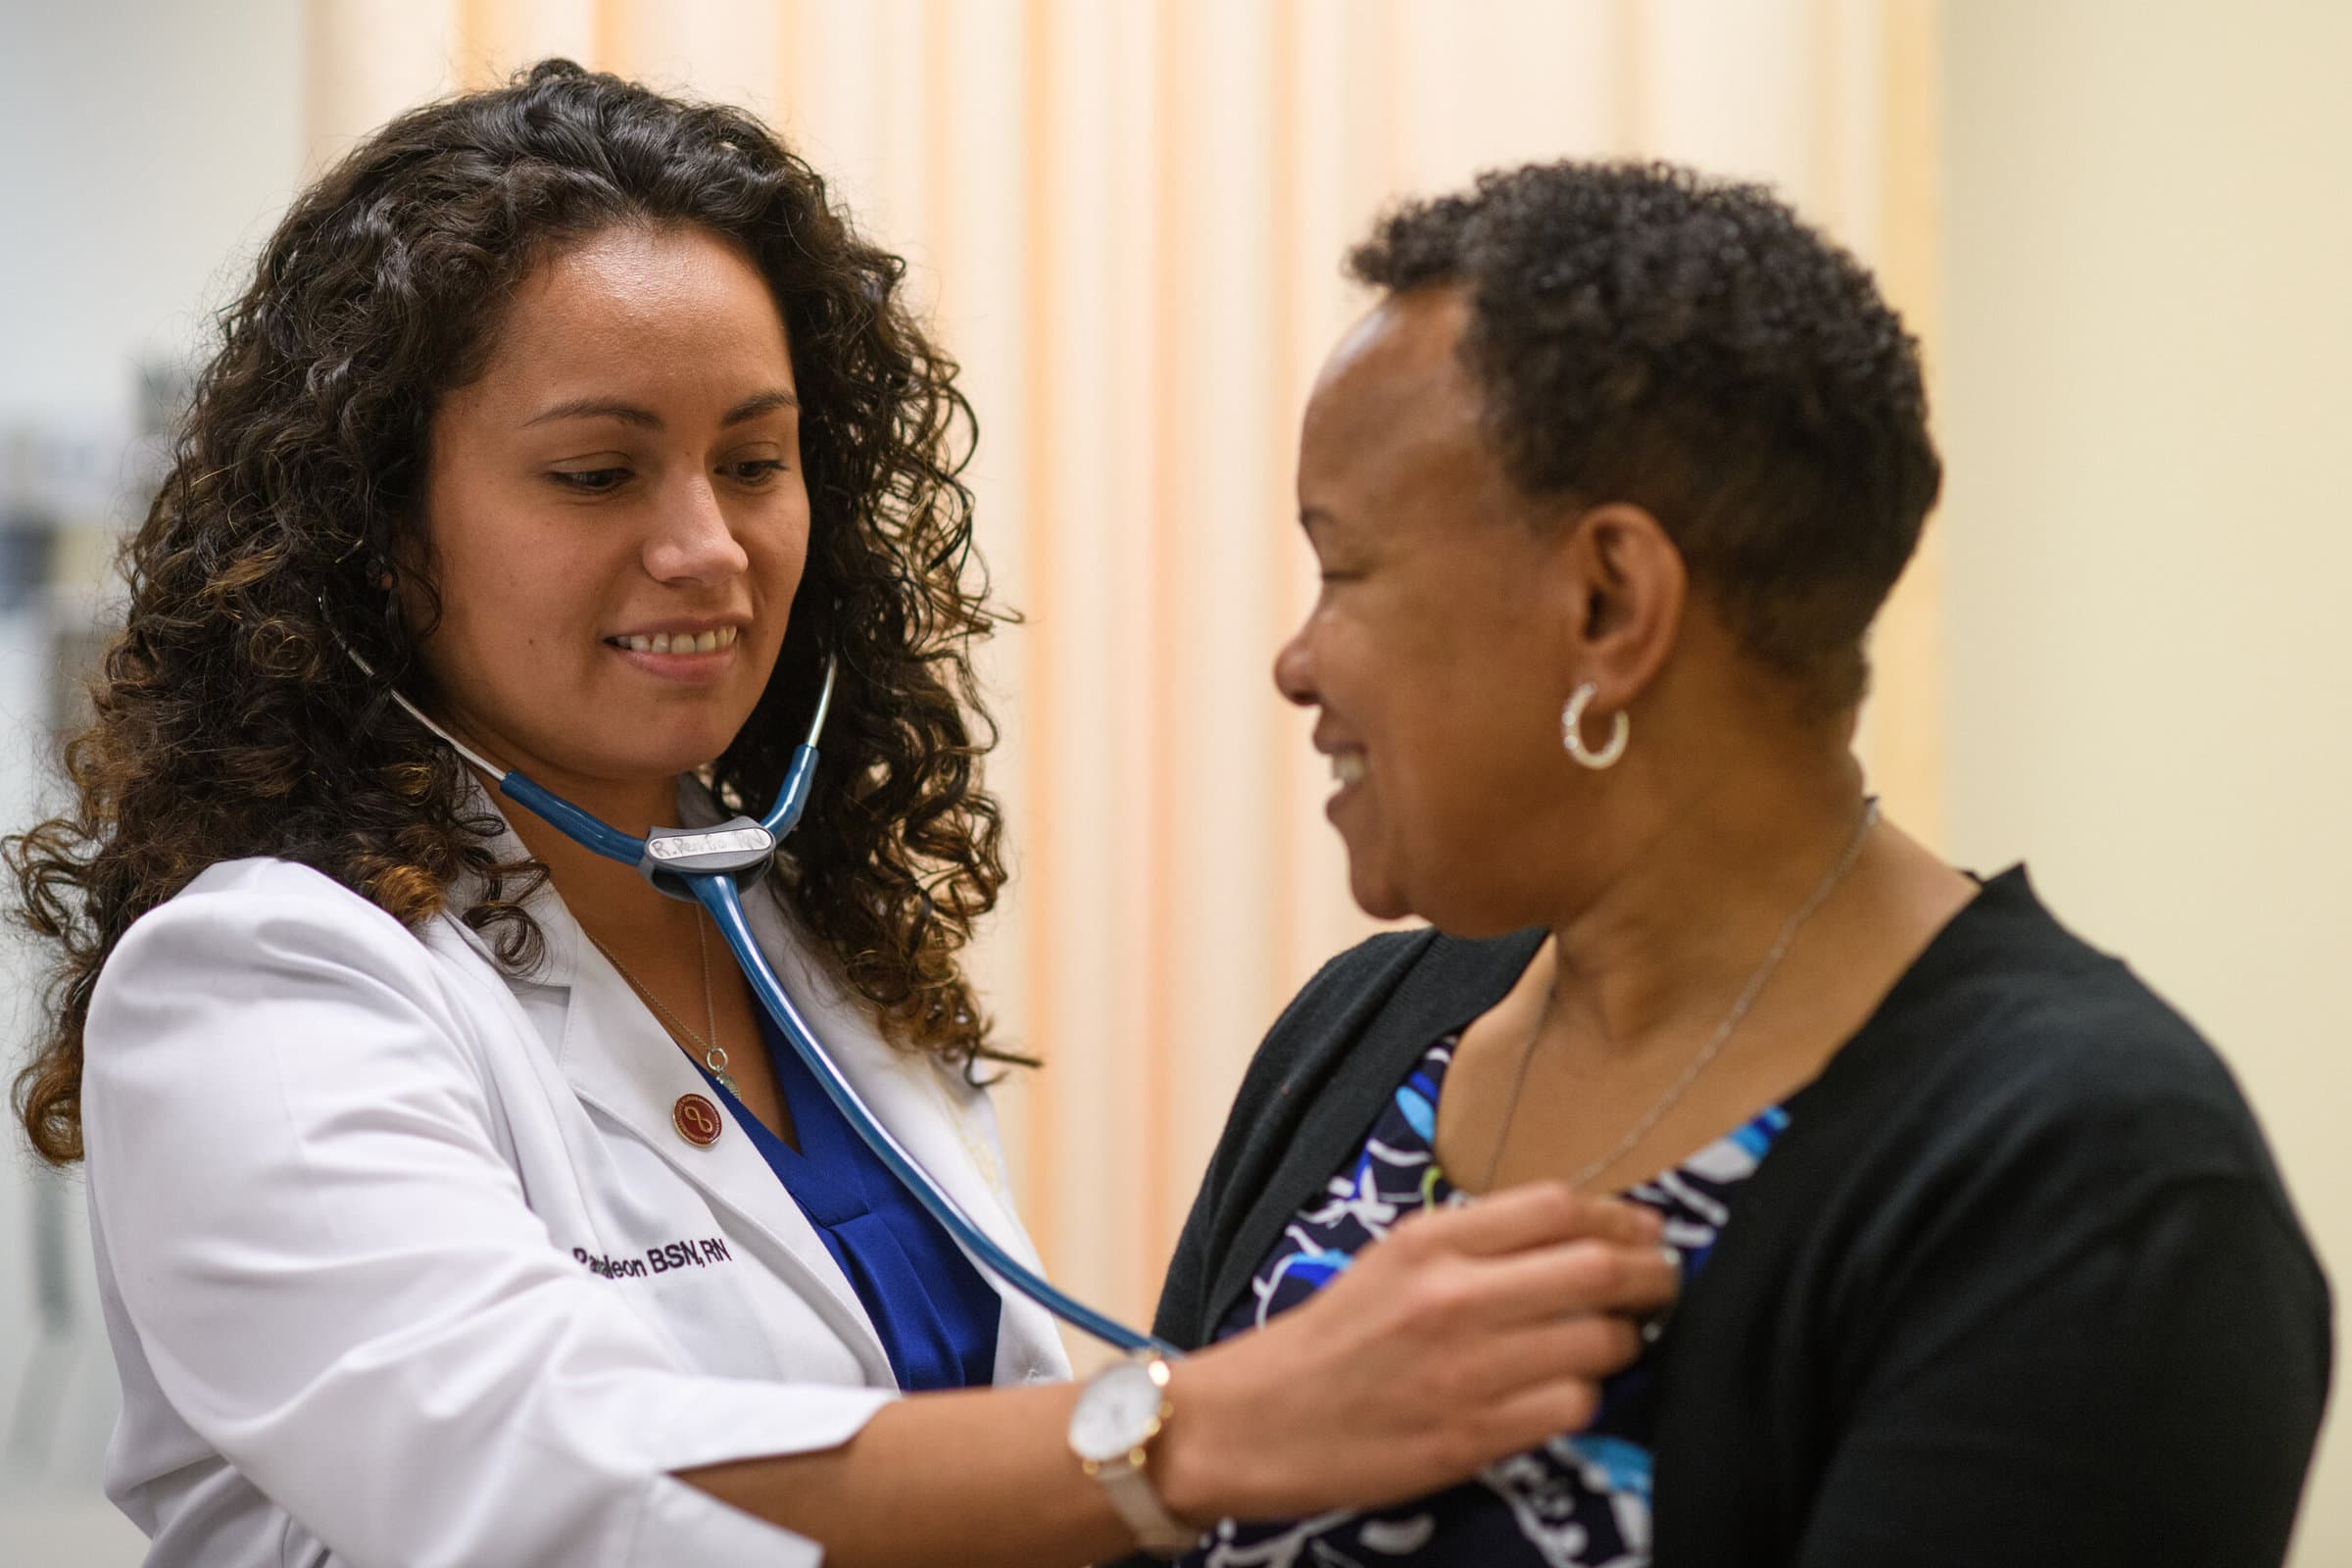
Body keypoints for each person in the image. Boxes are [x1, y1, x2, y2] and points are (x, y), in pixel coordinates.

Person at [5, 65, 1681, 1568]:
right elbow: (544, 1481)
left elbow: (954, 1434)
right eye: (597, 474)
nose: (709, 550)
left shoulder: (793, 929)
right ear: (377, 529)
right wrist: (1210, 1433)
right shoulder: (266, 980)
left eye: (755, 461)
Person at [1124, 161, 2332, 1568]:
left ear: (1608, 604)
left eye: (1341, 570)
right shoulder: (1362, 1035)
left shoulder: (2100, 1189)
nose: (1295, 662)